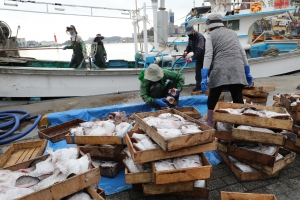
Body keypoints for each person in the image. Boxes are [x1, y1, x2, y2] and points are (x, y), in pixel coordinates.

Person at [201, 13, 253, 127]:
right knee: (237, 97)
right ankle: (239, 125)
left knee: (213, 96)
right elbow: (242, 52)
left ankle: (210, 122)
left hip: (220, 68)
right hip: (237, 67)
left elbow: (208, 55)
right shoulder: (233, 33)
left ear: (209, 25)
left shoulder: (210, 35)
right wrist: (247, 70)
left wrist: (204, 75)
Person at [183, 25, 205, 92]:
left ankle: (213, 87)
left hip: (205, 57)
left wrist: (192, 58)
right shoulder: (190, 38)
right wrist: (186, 51)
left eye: (189, 33)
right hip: (198, 58)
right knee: (198, 74)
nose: (188, 35)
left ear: (193, 31)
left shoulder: (200, 37)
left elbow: (199, 50)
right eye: (188, 34)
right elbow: (189, 46)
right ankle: (198, 87)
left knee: (208, 73)